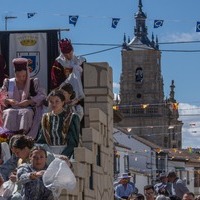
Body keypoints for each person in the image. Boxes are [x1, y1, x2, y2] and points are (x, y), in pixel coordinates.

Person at [1, 57, 46, 139]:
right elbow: (1, 96)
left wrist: (29, 101)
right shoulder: (8, 82)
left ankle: (23, 137)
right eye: (18, 76)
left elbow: (42, 95)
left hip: (28, 107)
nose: (21, 78)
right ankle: (8, 136)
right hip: (11, 107)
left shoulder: (33, 82)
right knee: (9, 112)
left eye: (24, 76)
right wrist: (8, 100)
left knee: (25, 113)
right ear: (15, 74)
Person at [36, 89, 80, 158]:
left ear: (62, 102)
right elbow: (41, 140)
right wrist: (46, 154)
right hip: (48, 153)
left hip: (67, 153)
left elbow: (73, 142)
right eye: (51, 102)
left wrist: (63, 156)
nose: (54, 104)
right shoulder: (45, 118)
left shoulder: (72, 117)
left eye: (57, 101)